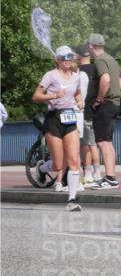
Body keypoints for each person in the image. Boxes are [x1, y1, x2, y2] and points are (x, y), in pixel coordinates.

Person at [32, 46, 84, 212]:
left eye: (69, 56)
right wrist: (54, 96)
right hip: (53, 119)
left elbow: (76, 93)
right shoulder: (50, 76)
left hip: (69, 119)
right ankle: (41, 168)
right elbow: (36, 96)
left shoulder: (76, 77)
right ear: (57, 60)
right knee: (58, 164)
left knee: (74, 160)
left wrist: (80, 101)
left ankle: (72, 199)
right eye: (63, 57)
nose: (67, 60)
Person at [87, 33, 121, 189]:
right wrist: (115, 91)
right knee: (108, 142)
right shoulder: (111, 59)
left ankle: (110, 178)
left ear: (91, 46)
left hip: (105, 105)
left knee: (103, 142)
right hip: (114, 103)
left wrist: (99, 99)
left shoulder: (99, 60)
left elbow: (106, 79)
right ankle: (111, 177)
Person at [75, 44, 101, 187]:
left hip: (82, 110)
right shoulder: (97, 69)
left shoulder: (77, 73)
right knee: (93, 143)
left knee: (84, 144)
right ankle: (97, 172)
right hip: (95, 109)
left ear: (78, 56)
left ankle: (88, 173)